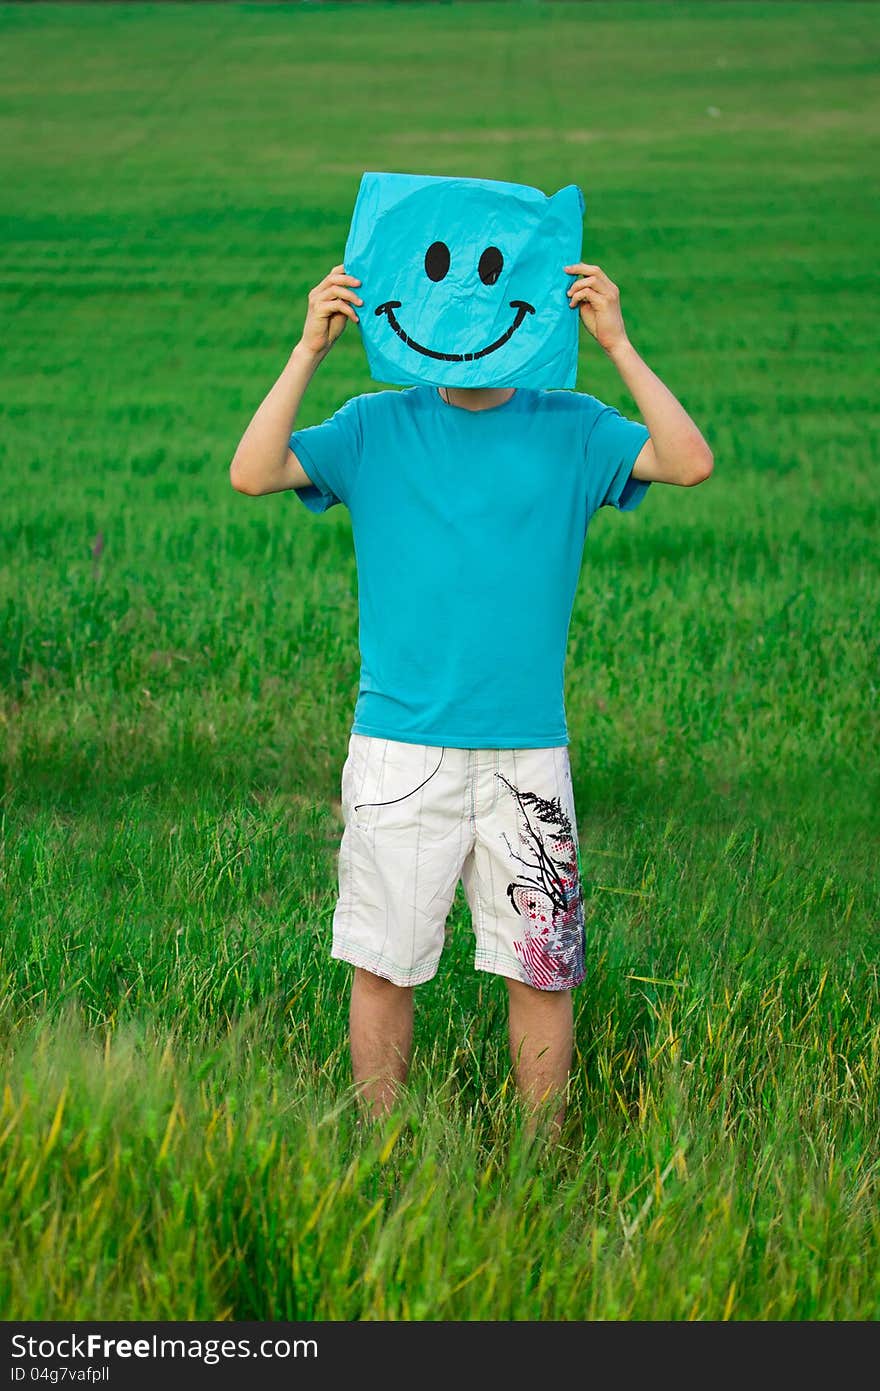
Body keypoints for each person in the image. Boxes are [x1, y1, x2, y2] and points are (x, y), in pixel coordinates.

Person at [230, 258, 713, 1133]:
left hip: (528, 752)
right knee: (383, 965)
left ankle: (542, 1164)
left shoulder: (573, 427)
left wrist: (618, 343)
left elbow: (688, 460)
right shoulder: (374, 426)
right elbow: (253, 472)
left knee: (541, 969)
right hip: (400, 750)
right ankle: (383, 1151)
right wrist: (307, 349)